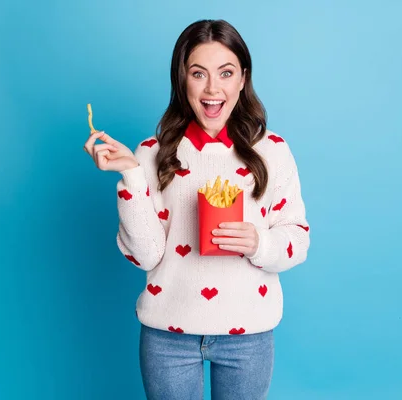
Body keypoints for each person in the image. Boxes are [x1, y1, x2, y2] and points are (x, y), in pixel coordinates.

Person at [83, 19, 310, 400]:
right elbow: (146, 256)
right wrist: (131, 176)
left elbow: (298, 240)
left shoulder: (272, 150)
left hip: (248, 333)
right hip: (167, 335)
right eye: (198, 73)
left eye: (225, 73)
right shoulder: (152, 153)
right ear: (181, 79)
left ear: (242, 79)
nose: (212, 88)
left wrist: (258, 243)